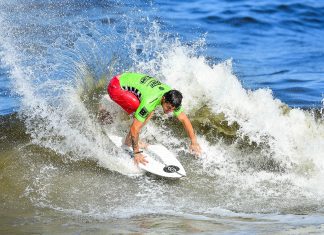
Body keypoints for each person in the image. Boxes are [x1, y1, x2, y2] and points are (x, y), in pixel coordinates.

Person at [107, 72, 201, 165]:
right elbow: (134, 128)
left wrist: (193, 142)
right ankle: (128, 142)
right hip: (115, 87)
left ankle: (109, 114)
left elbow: (184, 119)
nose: (170, 111)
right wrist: (136, 152)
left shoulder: (171, 96)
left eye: (173, 109)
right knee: (146, 113)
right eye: (168, 108)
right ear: (163, 99)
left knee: (148, 112)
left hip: (123, 78)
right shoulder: (150, 102)